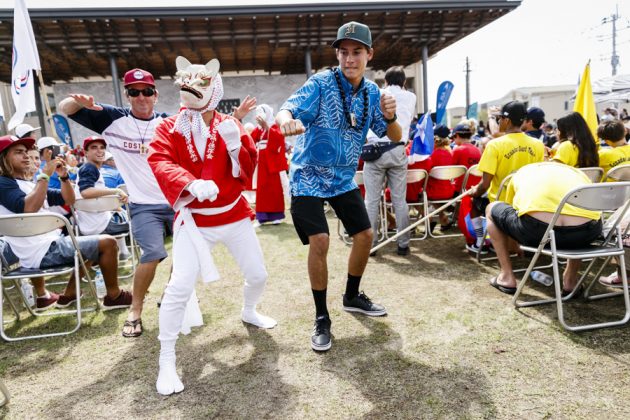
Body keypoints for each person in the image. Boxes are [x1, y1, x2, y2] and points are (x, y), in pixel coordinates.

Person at [148, 56, 276, 395]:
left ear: (214, 91)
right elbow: (159, 159)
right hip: (194, 220)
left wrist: (238, 146)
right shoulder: (168, 127)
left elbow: (248, 169)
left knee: (258, 274)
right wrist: (189, 183)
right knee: (179, 286)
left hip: (233, 215)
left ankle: (249, 310)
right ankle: (166, 358)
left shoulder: (228, 124)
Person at [276, 21, 402, 352]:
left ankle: (352, 295)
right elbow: (286, 108)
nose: (349, 59)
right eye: (343, 52)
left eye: (356, 52)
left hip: (342, 178)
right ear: (337, 54)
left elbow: (396, 137)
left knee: (365, 236)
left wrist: (390, 117)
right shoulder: (321, 83)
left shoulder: (373, 93)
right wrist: (286, 119)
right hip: (308, 176)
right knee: (320, 240)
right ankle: (321, 317)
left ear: (369, 55)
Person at [58, 68, 173, 338]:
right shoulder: (112, 118)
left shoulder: (168, 123)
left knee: (189, 254)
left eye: (146, 91)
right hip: (144, 205)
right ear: (127, 95)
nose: (141, 97)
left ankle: (172, 296)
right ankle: (135, 310)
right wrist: (80, 103)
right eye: (134, 92)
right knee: (152, 254)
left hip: (176, 201)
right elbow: (65, 108)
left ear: (155, 95)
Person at [0, 135, 132, 310]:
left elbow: (69, 199)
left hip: (45, 248)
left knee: (90, 243)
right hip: (41, 251)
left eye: (26, 152)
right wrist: (44, 176)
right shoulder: (3, 183)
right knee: (107, 243)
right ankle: (114, 296)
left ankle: (70, 294)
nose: (26, 156)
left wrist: (63, 178)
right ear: (3, 158)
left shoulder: (27, 184)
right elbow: (28, 208)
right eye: (18, 152)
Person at [486, 162, 602, 296]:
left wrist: (514, 245)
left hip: (537, 231)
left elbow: (513, 214)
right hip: (585, 233)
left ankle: (506, 276)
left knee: (491, 208)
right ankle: (570, 280)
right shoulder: (578, 173)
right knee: (581, 214)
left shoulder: (521, 172)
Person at [467, 101, 545, 254]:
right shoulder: (537, 144)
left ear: (507, 120)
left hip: (500, 203)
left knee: (474, 203)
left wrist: (474, 191)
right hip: (526, 201)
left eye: (500, 118)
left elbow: (485, 185)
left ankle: (479, 243)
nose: (499, 121)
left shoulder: (494, 145)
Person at [363, 66, 416, 256]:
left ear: (384, 81)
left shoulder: (377, 94)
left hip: (375, 150)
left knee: (371, 200)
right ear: (404, 82)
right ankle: (403, 243)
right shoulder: (410, 97)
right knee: (399, 200)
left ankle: (371, 245)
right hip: (398, 150)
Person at [74, 135, 130, 259]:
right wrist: (115, 191)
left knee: (120, 212)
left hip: (89, 225)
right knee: (138, 219)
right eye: (94, 148)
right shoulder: (89, 168)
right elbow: (86, 192)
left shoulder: (89, 169)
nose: (100, 150)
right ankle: (134, 254)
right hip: (101, 225)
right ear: (85, 153)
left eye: (102, 147)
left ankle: (123, 252)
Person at [250, 104, 288, 225]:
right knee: (262, 189)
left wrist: (267, 127)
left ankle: (277, 215)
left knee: (274, 188)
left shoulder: (274, 126)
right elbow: (250, 140)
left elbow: (279, 138)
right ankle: (262, 217)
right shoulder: (258, 129)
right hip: (261, 161)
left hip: (272, 162)